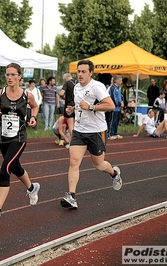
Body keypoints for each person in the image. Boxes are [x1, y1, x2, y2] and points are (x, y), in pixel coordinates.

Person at [60, 59, 122, 210]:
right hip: (80, 130)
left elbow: (111, 105)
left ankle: (114, 173)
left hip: (97, 131)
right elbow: (79, 106)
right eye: (78, 71)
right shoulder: (75, 88)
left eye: (83, 72)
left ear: (91, 73)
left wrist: (91, 106)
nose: (80, 74)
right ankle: (71, 196)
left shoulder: (97, 87)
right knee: (74, 161)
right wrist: (72, 110)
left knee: (99, 165)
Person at [0, 63, 40, 224]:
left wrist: (33, 117)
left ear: (20, 76)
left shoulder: (27, 95)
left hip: (19, 137)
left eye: (13, 75)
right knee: (15, 167)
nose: (9, 78)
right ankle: (32, 188)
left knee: (5, 169)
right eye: (7, 75)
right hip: (3, 138)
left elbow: (35, 107)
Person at [59, 73, 76, 145]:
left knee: (70, 125)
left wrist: (64, 98)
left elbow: (61, 93)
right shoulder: (77, 83)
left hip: (69, 105)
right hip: (76, 105)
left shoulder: (67, 83)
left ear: (66, 78)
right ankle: (77, 141)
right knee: (75, 125)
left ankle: (73, 142)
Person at [107, 75, 123, 140]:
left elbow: (120, 96)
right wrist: (118, 103)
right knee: (112, 121)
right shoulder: (112, 88)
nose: (121, 81)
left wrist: (122, 101)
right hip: (114, 107)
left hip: (118, 108)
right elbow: (113, 97)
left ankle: (115, 133)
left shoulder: (118, 88)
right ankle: (110, 134)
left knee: (116, 121)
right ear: (117, 81)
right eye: (120, 80)